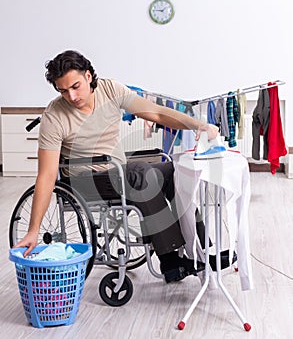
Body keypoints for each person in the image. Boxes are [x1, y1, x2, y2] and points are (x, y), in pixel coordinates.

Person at [14, 50, 219, 283]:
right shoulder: (54, 116)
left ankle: (203, 248)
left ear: (89, 76)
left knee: (176, 171)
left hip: (118, 172)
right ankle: (170, 260)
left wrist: (198, 125)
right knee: (139, 173)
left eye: (75, 86)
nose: (71, 96)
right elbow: (47, 174)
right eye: (63, 91)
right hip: (84, 183)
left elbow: (157, 114)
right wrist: (33, 230)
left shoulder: (111, 90)